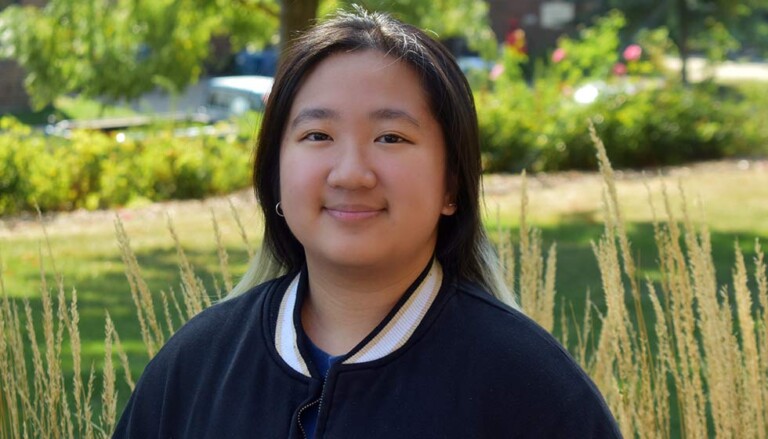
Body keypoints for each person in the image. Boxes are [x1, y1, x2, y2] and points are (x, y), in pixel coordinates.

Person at [113, 8, 622, 439]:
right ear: (275, 175)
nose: (351, 174)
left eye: (391, 138)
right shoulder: (195, 367)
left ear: (452, 185)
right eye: (317, 135)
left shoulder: (532, 390)